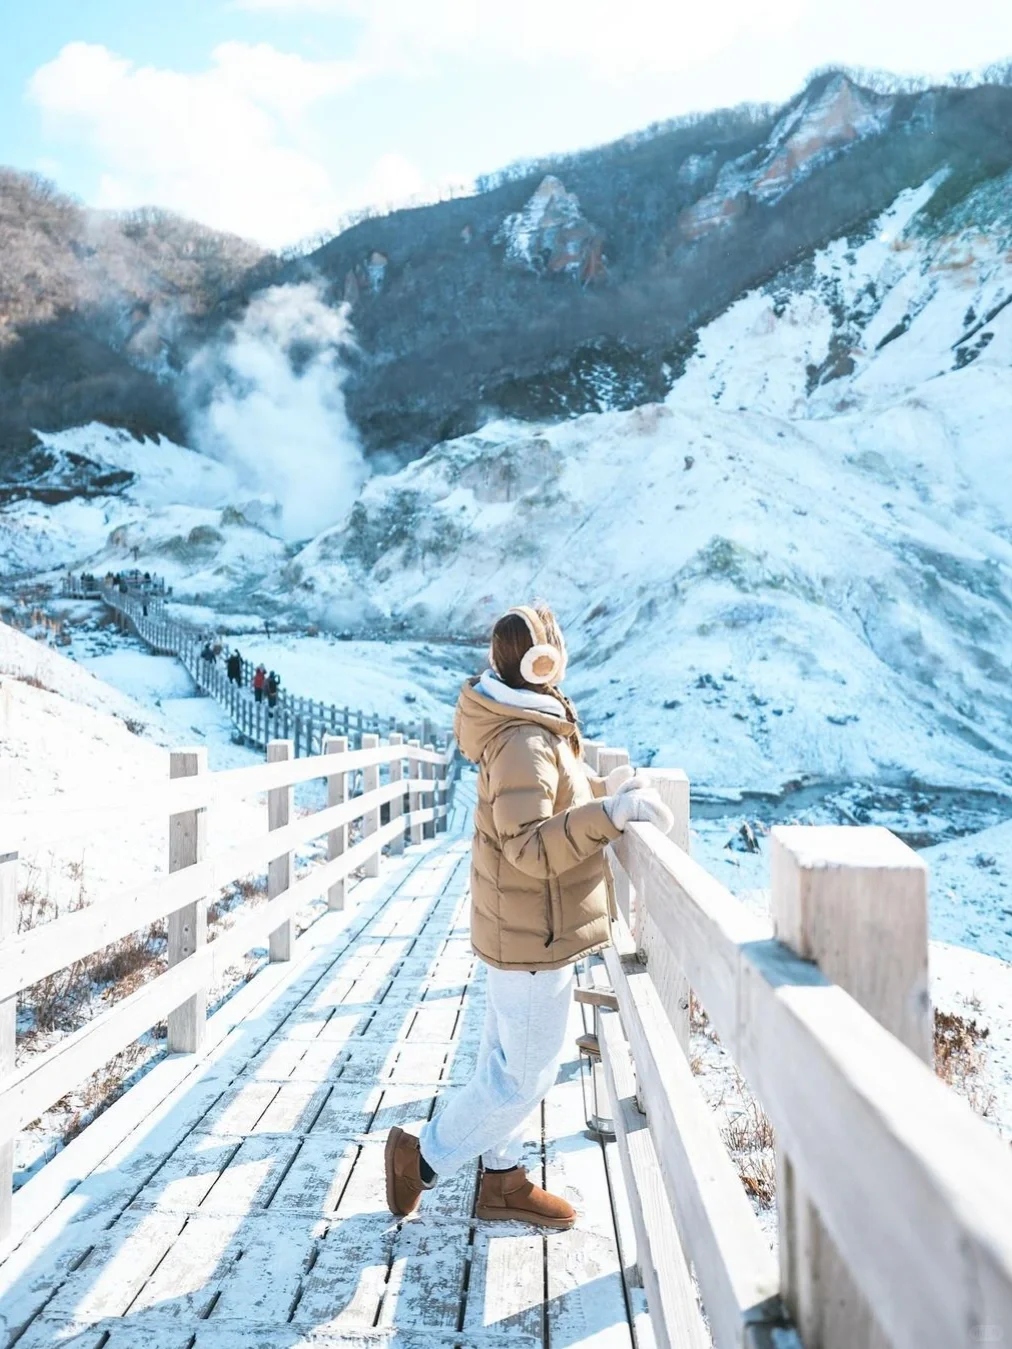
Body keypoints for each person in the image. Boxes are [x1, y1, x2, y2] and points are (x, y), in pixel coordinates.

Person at [384, 603, 672, 1229]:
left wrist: (609, 796)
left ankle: (504, 1181)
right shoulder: (523, 740)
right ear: (542, 661)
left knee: (505, 1063)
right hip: (533, 937)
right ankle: (420, 1159)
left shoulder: (532, 727)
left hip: (527, 929)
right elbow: (529, 844)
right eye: (553, 649)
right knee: (523, 1079)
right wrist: (613, 817)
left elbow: (555, 803)